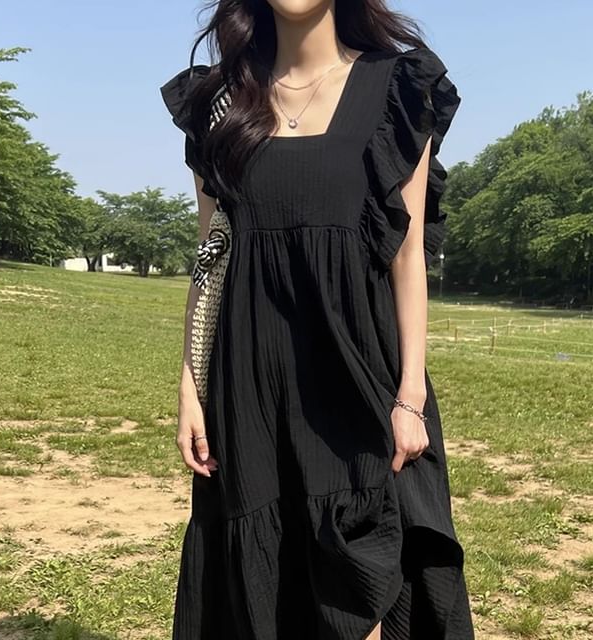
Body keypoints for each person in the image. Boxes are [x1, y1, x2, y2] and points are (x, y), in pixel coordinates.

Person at [160, 1, 475, 638]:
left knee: (364, 576)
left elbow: (408, 254)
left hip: (359, 374)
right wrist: (191, 385)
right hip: (252, 383)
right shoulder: (219, 101)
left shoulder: (397, 89)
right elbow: (211, 253)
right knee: (265, 582)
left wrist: (410, 395)